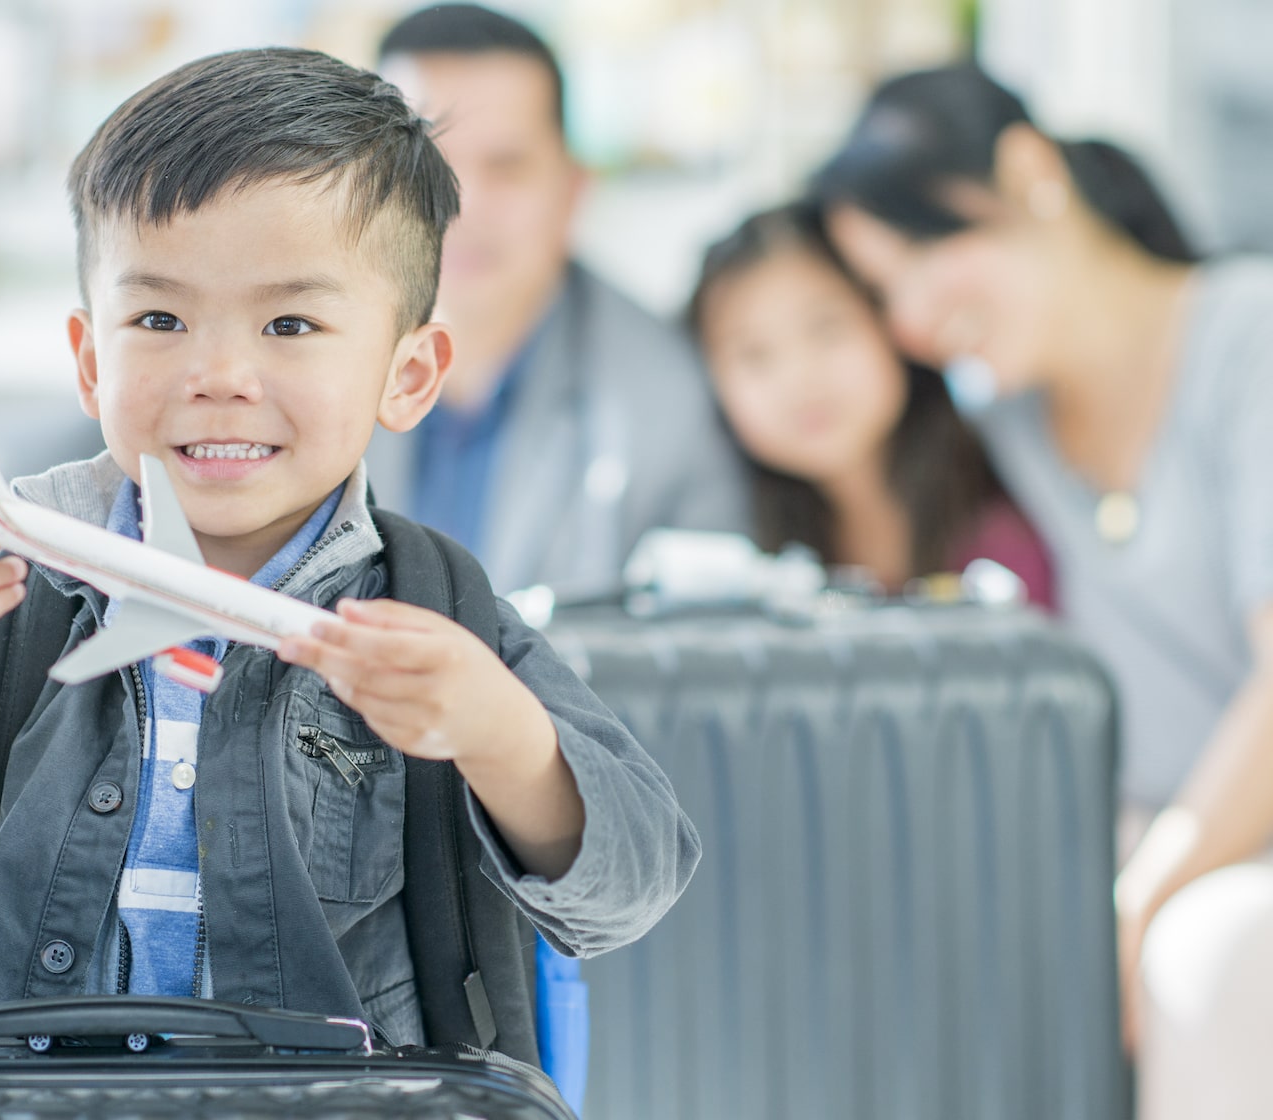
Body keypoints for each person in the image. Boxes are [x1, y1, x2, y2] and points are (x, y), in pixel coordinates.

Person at [0, 47, 698, 1053]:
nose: (220, 372)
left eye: (291, 322)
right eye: (159, 317)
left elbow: (634, 886)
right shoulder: (10, 596)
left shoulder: (438, 613)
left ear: (408, 374)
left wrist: (497, 731)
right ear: (87, 360)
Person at [812, 61, 1273, 1118]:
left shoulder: (1248, 334)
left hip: (1222, 852)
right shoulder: (1004, 419)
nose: (914, 318)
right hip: (1134, 829)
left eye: (928, 252)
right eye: (883, 293)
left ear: (1028, 173)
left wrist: (1141, 899)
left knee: (1205, 950)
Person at [368, 3, 750, 597]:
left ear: (572, 191)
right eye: (424, 164)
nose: (461, 205)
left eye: (508, 166)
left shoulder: (671, 398)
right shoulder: (291, 355)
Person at [688, 199, 1054, 605]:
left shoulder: (1008, 523)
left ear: (890, 318)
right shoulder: (732, 562)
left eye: (826, 328)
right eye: (754, 355)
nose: (799, 378)